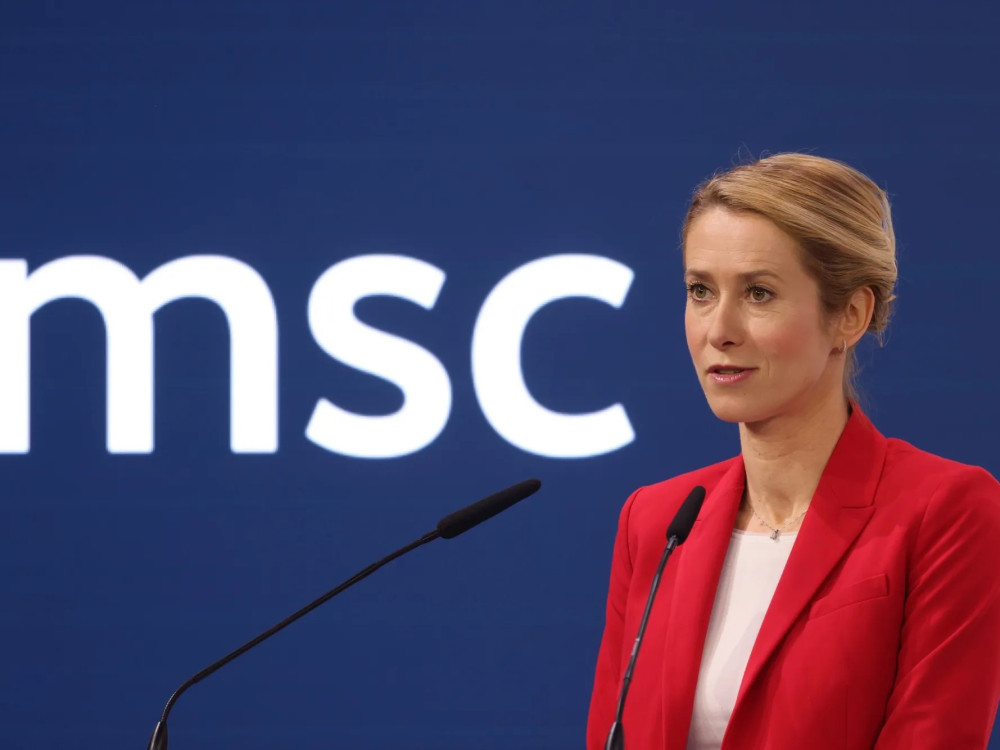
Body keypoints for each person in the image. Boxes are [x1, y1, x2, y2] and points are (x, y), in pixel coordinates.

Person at [586, 153, 1000, 750]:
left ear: (850, 316)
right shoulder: (656, 520)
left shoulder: (946, 510)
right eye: (700, 291)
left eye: (758, 293)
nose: (719, 330)